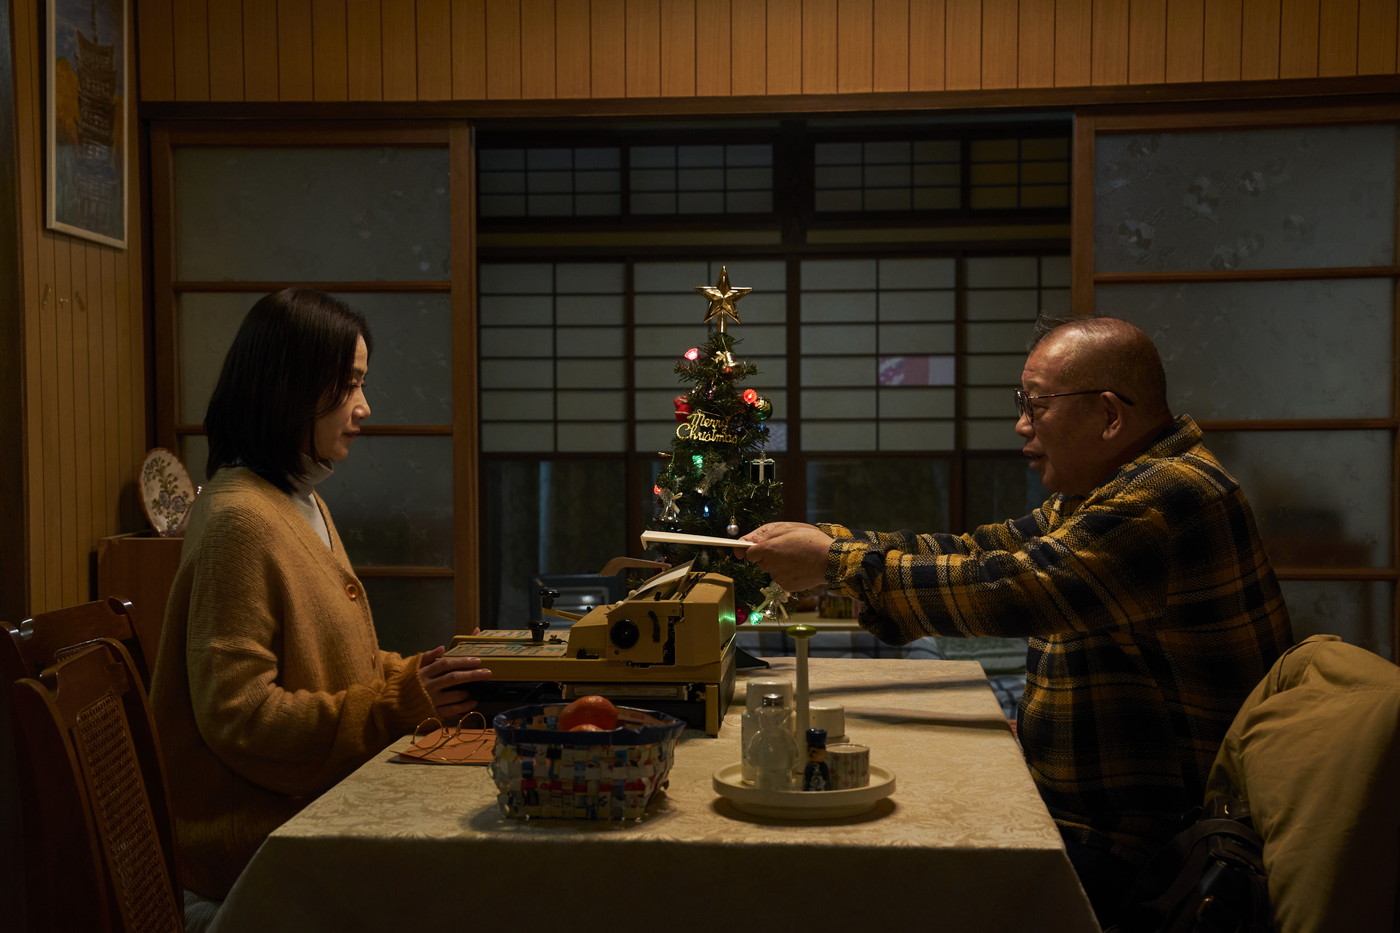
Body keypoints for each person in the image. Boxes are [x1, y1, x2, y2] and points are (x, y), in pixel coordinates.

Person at [742, 315, 1293, 927]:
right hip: (1097, 817)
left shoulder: (1166, 497)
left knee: (874, 875)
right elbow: (981, 550)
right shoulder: (1108, 489)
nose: (1022, 425)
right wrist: (833, 543)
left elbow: (1011, 586)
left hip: (1146, 854)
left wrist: (836, 561)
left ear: (1109, 415)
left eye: (1036, 405)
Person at [150, 288, 491, 900]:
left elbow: (337, 663)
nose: (364, 406)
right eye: (350, 384)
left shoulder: (297, 500)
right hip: (261, 849)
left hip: (313, 814)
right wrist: (392, 707)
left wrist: (425, 676)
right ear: (291, 387)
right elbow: (239, 716)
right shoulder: (240, 520)